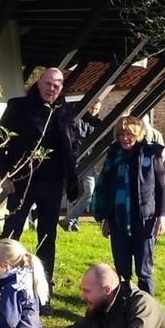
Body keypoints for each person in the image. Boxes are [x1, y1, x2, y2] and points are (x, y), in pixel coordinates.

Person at [0, 67, 79, 314]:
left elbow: (72, 145)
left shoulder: (65, 112)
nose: (52, 88)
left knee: (47, 239)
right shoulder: (18, 106)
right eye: (48, 83)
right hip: (21, 180)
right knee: (11, 235)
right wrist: (4, 176)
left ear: (62, 88)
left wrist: (69, 180)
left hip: (51, 184)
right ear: (39, 83)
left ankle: (43, 295)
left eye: (57, 85)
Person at [90, 114, 165, 295]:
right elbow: (108, 189)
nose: (125, 138)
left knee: (144, 270)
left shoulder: (150, 153)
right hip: (118, 220)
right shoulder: (113, 154)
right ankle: (124, 305)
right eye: (122, 134)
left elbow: (161, 187)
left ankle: (147, 309)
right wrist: (107, 219)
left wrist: (161, 216)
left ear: (138, 134)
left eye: (130, 134)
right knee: (122, 270)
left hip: (145, 219)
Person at [61, 99, 103, 232]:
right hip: (73, 158)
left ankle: (69, 219)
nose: (94, 111)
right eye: (92, 108)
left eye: (96, 109)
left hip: (87, 160)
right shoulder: (77, 119)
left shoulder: (98, 123)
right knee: (71, 191)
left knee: (90, 190)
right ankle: (71, 222)